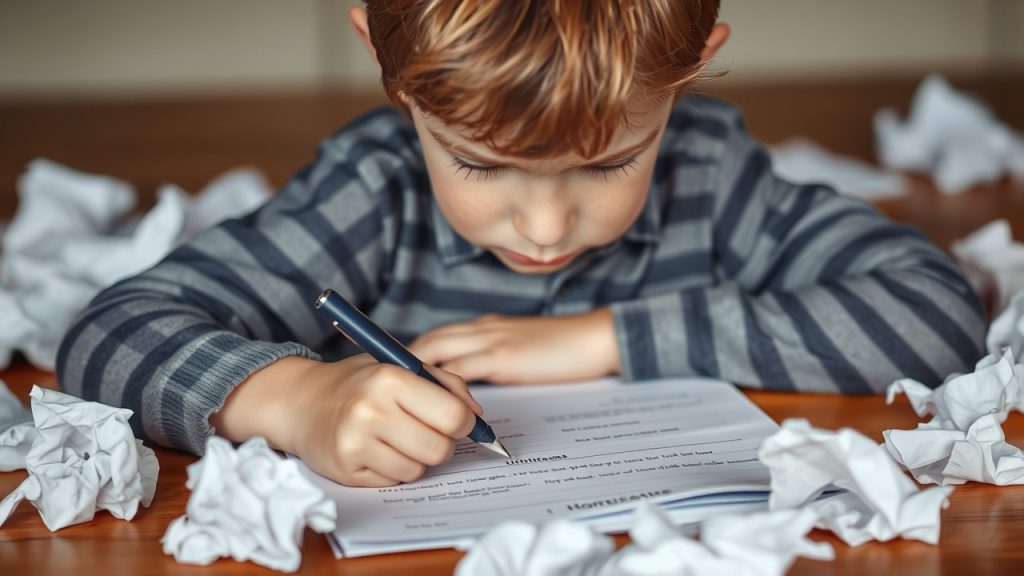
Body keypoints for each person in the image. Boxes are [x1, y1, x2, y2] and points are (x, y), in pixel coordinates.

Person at [56, 0, 985, 487]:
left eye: (610, 162)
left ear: (690, 62)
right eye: (485, 167)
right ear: (392, 72)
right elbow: (110, 337)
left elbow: (932, 309)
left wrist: (606, 336)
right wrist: (296, 400)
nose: (545, 229)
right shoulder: (376, 191)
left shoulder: (712, 175)